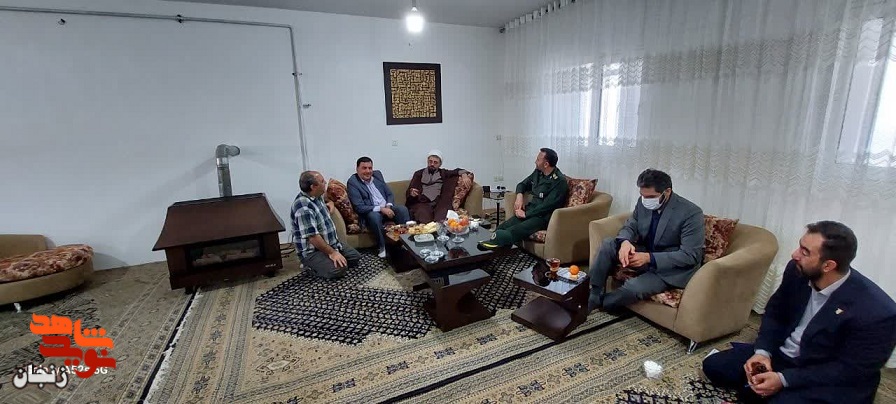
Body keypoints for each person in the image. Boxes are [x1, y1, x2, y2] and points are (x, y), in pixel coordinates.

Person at [702, 221, 896, 403]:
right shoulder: (798, 270)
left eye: (805, 252)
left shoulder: (879, 313)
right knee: (714, 366)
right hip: (783, 355)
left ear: (828, 265)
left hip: (826, 374)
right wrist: (763, 352)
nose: (795, 254)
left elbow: (848, 369)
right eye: (800, 246)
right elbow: (776, 313)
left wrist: (784, 379)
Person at [587, 168, 704, 312]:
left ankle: (603, 303)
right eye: (643, 195)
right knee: (608, 244)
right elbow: (631, 225)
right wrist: (625, 242)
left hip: (669, 267)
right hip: (645, 252)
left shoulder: (691, 213)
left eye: (651, 197)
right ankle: (594, 293)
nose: (646, 200)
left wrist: (649, 258)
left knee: (633, 288)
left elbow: (690, 255)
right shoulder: (643, 202)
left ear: (667, 192)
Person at [479, 148, 568, 249]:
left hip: (542, 217)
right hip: (530, 211)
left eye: (538, 160)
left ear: (546, 164)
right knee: (501, 228)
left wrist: (526, 214)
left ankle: (496, 251)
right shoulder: (538, 173)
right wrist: (519, 196)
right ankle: (494, 250)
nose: (535, 161)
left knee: (510, 232)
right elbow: (522, 184)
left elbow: (547, 206)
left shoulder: (559, 181)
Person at [291, 171, 361, 279]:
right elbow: (313, 238)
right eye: (322, 181)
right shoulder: (303, 207)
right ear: (313, 187)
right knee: (338, 270)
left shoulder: (316, 196)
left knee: (355, 257)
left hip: (331, 243)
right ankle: (309, 267)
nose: (325, 183)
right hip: (313, 251)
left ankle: (329, 260)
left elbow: (327, 200)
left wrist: (331, 204)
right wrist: (332, 253)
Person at [347, 156, 410, 258]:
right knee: (374, 216)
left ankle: (406, 242)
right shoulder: (353, 182)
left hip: (386, 208)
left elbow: (389, 194)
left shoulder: (377, 175)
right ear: (357, 169)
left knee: (402, 209)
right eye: (364, 168)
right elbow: (359, 207)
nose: (368, 171)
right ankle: (382, 246)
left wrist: (388, 206)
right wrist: (381, 209)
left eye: (370, 168)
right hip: (372, 211)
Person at [406, 149, 462, 223]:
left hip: (438, 202)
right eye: (430, 161)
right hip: (422, 202)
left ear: (440, 164)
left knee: (442, 216)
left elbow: (457, 171)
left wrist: (464, 174)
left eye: (435, 162)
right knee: (422, 213)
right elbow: (410, 191)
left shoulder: (443, 173)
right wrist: (412, 194)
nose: (432, 164)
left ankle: (440, 229)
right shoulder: (418, 174)